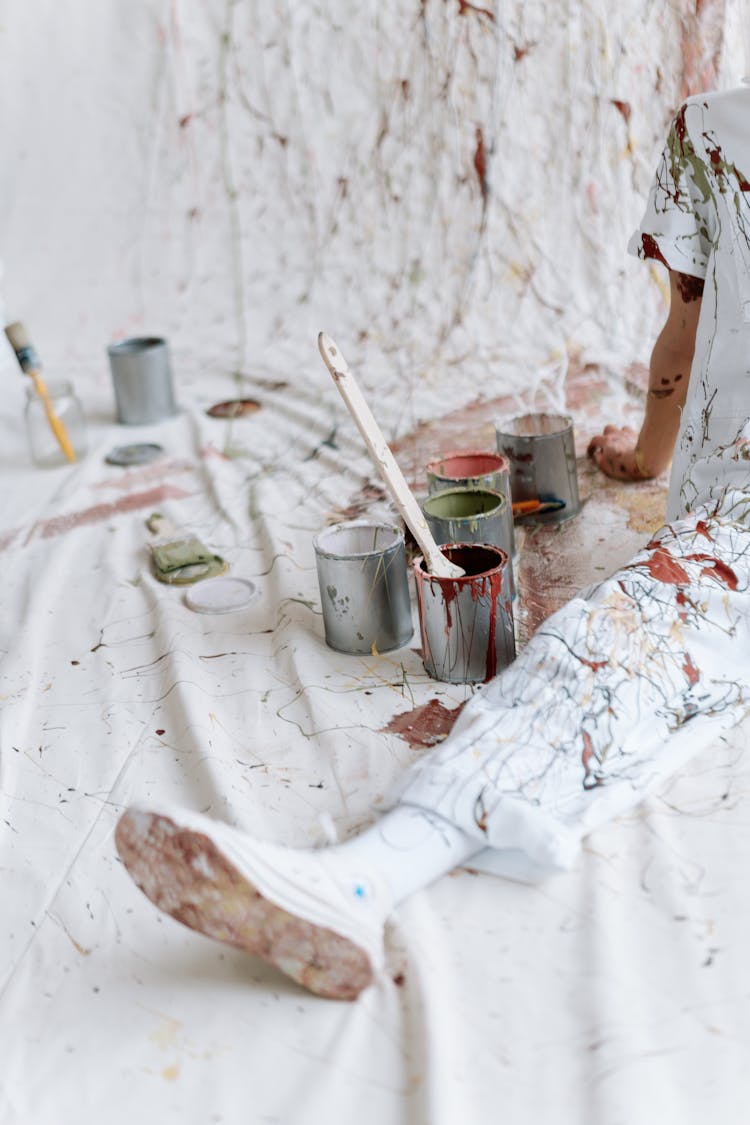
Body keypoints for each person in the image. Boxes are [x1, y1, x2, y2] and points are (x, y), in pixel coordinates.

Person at [115, 84, 750, 1001]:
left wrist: (646, 457)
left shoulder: (713, 127)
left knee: (600, 658)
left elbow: (682, 341)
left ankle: (356, 880)